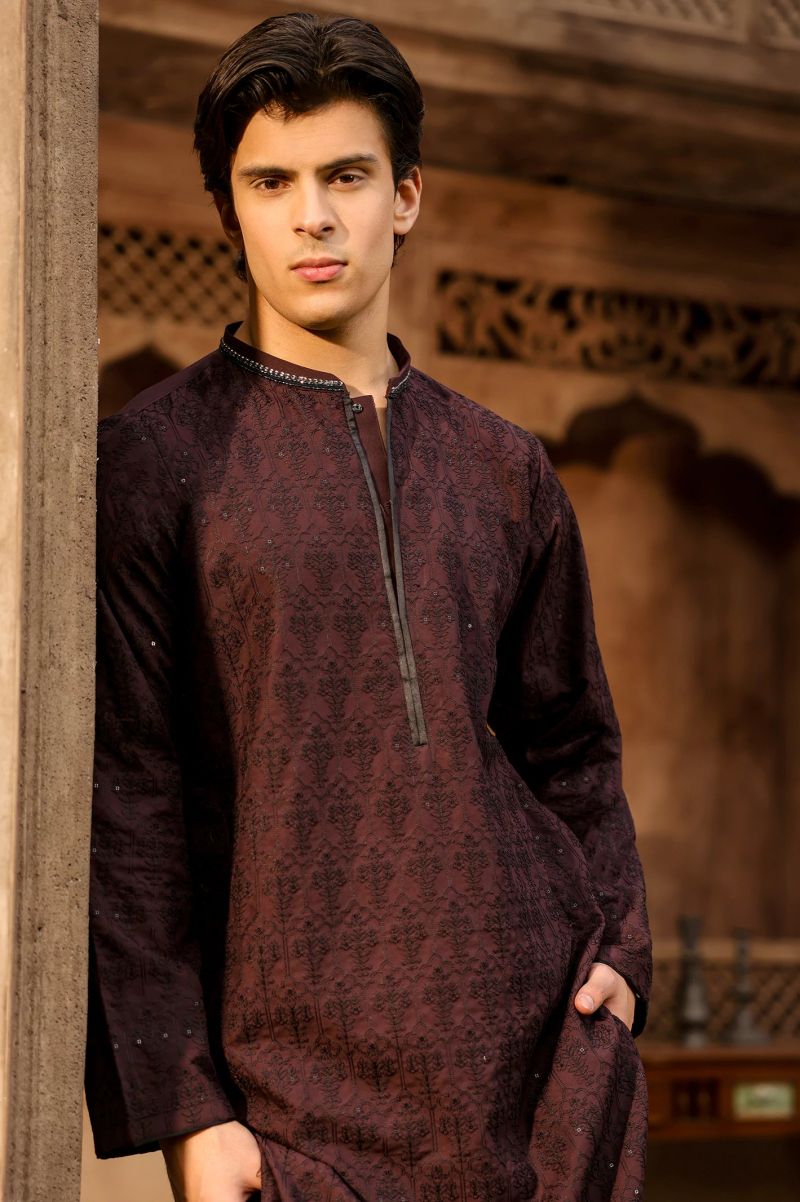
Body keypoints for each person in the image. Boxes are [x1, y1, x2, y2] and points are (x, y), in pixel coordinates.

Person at [85, 11, 653, 1202]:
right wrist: (189, 1109)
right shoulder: (152, 462)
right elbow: (127, 796)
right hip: (290, 1100)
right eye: (271, 182)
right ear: (229, 208)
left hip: (537, 1065)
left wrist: (618, 953)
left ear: (404, 196)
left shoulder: (502, 466)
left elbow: (570, 744)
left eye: (345, 176)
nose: (312, 216)